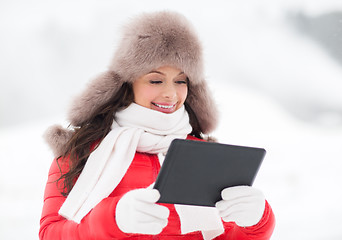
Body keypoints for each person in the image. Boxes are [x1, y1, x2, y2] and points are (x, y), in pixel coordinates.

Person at [39, 11, 275, 240]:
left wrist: (258, 221)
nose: (171, 94)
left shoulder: (202, 154)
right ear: (127, 83)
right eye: (155, 80)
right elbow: (51, 234)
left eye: (181, 81)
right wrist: (114, 219)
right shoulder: (80, 152)